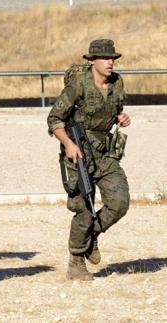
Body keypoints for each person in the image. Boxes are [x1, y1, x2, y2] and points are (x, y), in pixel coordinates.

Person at [47, 39, 131, 281]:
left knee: (120, 202)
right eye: (105, 58)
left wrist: (122, 118)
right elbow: (54, 119)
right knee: (83, 210)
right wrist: (69, 144)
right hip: (79, 153)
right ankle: (76, 263)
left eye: (113, 58)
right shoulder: (79, 85)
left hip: (106, 154)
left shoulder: (117, 83)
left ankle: (91, 235)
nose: (110, 62)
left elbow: (114, 112)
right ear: (92, 61)